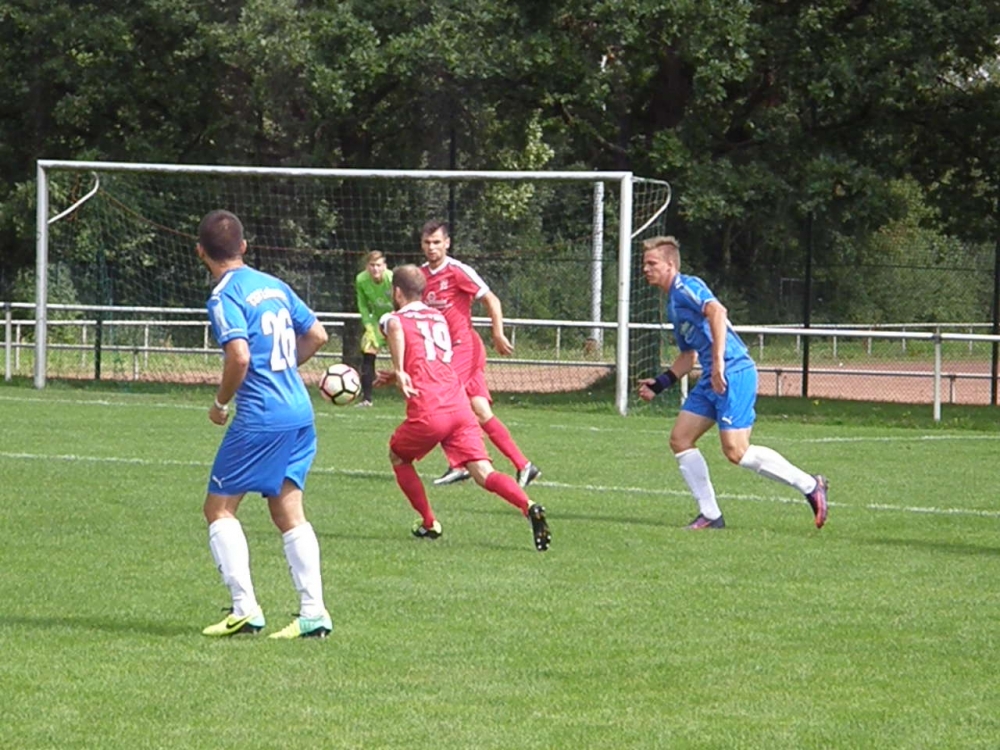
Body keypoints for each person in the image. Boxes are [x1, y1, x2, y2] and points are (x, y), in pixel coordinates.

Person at [196, 209, 334, 639]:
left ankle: (245, 609)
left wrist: (220, 403)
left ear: (201, 252)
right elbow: (318, 335)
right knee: (288, 509)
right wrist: (283, 368)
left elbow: (238, 357)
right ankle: (313, 613)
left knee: (219, 509)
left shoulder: (223, 297)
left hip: (261, 416)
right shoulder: (274, 285)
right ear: (243, 246)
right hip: (299, 411)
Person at [637, 236, 828, 530]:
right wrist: (660, 383)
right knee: (680, 439)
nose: (646, 269)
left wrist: (719, 364)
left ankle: (810, 485)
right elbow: (688, 355)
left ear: (670, 265)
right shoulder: (673, 305)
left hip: (732, 372)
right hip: (711, 377)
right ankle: (710, 515)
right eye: (644, 264)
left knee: (737, 451)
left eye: (652, 263)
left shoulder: (687, 286)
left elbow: (718, 311)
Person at [375, 265, 551, 551]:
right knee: (483, 472)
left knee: (398, 456)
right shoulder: (438, 318)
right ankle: (528, 505)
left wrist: (399, 370)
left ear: (396, 292)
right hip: (458, 406)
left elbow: (394, 327)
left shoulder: (395, 318)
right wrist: (398, 375)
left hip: (429, 409)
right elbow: (429, 359)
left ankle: (429, 522)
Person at [418, 220, 541, 488]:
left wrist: (497, 333)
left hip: (464, 347)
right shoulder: (420, 276)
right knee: (481, 412)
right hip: (445, 353)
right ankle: (524, 465)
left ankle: (460, 464)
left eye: (437, 242)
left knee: (440, 401)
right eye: (427, 242)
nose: (432, 247)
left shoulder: (458, 270)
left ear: (447, 243)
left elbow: (491, 299)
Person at [354, 250, 394, 407]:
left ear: (384, 266)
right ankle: (367, 399)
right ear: (367, 267)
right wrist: (369, 326)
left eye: (378, 265)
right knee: (367, 351)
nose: (375, 269)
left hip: (395, 319)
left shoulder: (391, 279)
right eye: (372, 265)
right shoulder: (361, 279)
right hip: (377, 320)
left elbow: (401, 301)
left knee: (406, 355)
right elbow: (363, 305)